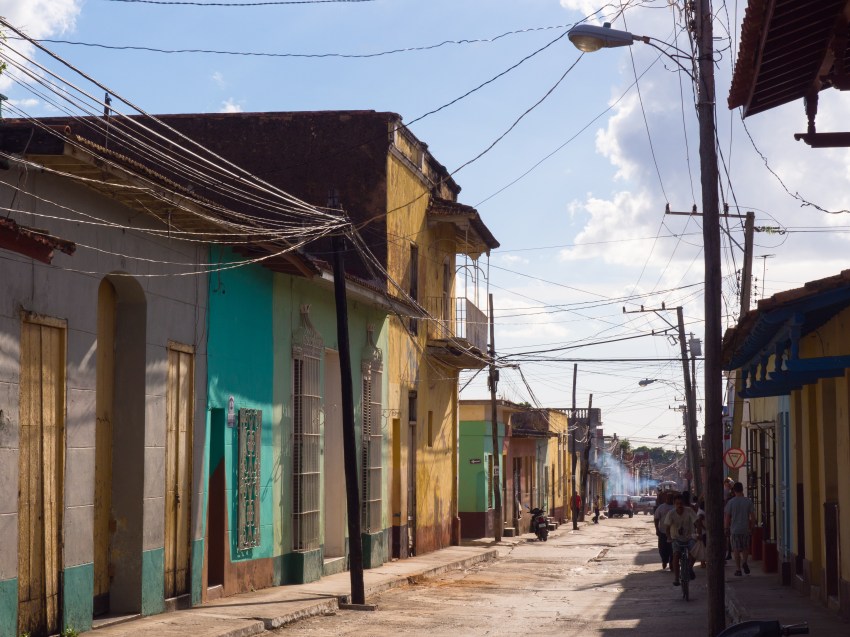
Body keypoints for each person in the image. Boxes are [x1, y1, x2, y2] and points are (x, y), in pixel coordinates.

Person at [662, 494, 698, 587]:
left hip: (689, 537)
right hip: (676, 539)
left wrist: (700, 534)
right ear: (674, 504)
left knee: (694, 551)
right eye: (677, 503)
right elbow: (667, 527)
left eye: (681, 503)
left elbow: (697, 522)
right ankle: (676, 578)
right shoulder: (671, 513)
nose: (679, 505)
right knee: (676, 555)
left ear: (684, 503)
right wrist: (669, 537)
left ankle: (689, 568)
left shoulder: (689, 511)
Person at [724, 481, 755, 576]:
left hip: (735, 529)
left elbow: (727, 517)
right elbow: (752, 516)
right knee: (745, 547)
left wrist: (726, 528)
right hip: (745, 528)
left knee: (736, 550)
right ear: (742, 489)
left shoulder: (731, 502)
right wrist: (752, 527)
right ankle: (745, 562)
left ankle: (738, 569)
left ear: (734, 490)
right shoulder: (748, 501)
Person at [653, 492, 675, 570]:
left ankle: (672, 563)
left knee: (673, 549)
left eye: (671, 498)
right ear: (666, 498)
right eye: (668, 497)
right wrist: (657, 529)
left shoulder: (675, 507)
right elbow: (656, 519)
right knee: (662, 548)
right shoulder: (661, 507)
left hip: (673, 533)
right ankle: (664, 561)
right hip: (663, 532)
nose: (670, 499)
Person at [724, 477, 735, 560]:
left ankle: (729, 552)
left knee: (728, 535)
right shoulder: (729, 493)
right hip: (728, 515)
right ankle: (729, 552)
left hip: (728, 515)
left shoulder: (731, 493)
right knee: (728, 535)